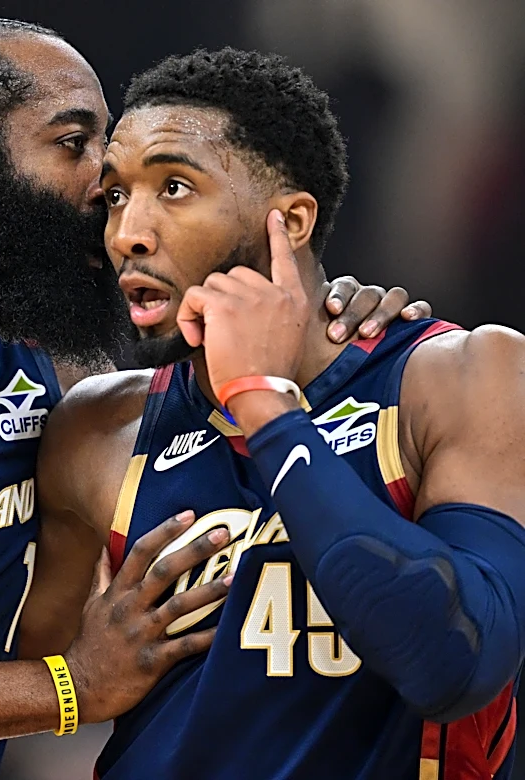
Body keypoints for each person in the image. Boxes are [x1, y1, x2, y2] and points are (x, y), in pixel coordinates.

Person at [0, 19, 427, 780]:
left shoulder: (50, 359)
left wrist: (326, 304)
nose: (104, 183)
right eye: (72, 143)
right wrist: (68, 689)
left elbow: (220, 292)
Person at [29, 48, 525, 779]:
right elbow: (20, 672)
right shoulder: (97, 428)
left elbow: (456, 666)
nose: (127, 231)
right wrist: (76, 678)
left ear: (289, 221)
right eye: (113, 196)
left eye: (172, 187)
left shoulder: (457, 375)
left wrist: (265, 405)